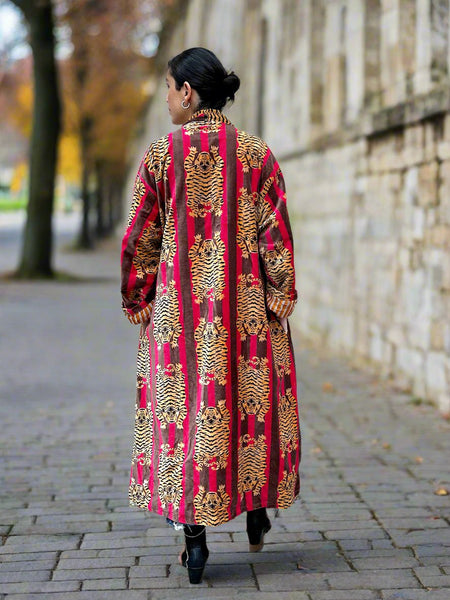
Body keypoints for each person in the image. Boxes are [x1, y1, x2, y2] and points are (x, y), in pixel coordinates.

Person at [121, 47, 301, 585]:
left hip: (180, 315)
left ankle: (195, 546)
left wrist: (137, 294)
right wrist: (281, 291)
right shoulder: (255, 154)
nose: (167, 98)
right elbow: (277, 232)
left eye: (170, 88)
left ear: (189, 92)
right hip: (244, 311)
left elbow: (140, 235)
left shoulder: (161, 156)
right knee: (250, 412)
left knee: (187, 418)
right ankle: (257, 512)